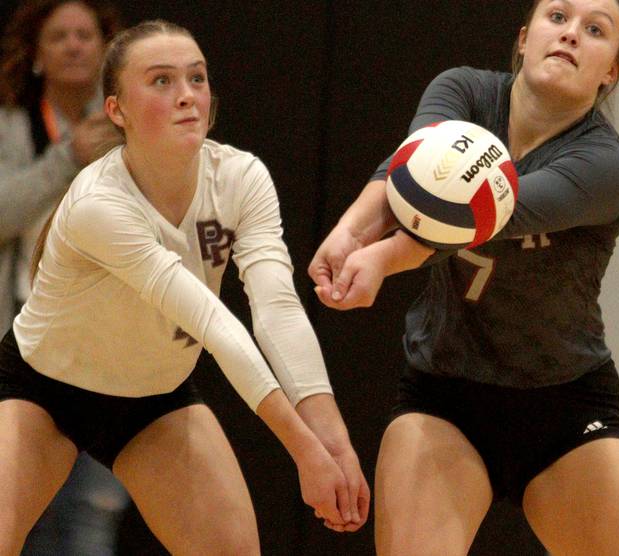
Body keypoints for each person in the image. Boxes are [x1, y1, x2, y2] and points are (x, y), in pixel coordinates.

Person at [310, 1, 619, 554]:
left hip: (563, 407)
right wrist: (348, 232)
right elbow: (411, 174)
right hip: (445, 396)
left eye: (596, 30)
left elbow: (471, 215)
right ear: (526, 36)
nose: (572, 34)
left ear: (612, 73)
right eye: (558, 17)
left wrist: (381, 259)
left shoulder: (602, 165)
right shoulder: (462, 92)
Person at [0, 19, 368, 555]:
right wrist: (304, 452)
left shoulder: (240, 176)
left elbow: (277, 311)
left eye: (196, 78)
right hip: (43, 389)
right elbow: (214, 324)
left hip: (154, 397)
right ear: (116, 110)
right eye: (161, 81)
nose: (187, 97)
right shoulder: (98, 202)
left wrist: (332, 440)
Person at [0, 1, 131, 553]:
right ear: (35, 55)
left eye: (86, 35)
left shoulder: (135, 123)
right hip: (22, 343)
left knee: (93, 519)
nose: (75, 45)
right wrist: (68, 157)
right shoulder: (10, 125)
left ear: (107, 50)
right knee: (22, 516)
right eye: (59, 37)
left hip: (111, 347)